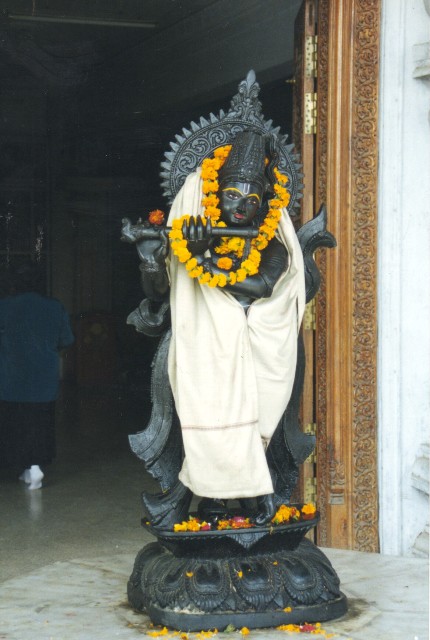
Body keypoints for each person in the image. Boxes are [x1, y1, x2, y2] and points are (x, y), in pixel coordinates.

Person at [135, 130, 305, 524]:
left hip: (263, 349)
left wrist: (202, 261)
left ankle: (255, 494)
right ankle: (216, 496)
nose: (241, 207)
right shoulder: (195, 234)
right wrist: (152, 260)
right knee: (207, 418)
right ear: (213, 193)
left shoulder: (271, 243)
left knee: (260, 421)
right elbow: (159, 291)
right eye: (231, 195)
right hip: (206, 344)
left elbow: (261, 285)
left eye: (252, 200)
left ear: (264, 204)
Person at [0, 262, 74, 489]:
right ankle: (34, 466)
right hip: (43, 380)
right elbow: (67, 339)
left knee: (16, 423)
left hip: (11, 378)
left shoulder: (4, 306)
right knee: (40, 422)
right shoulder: (55, 306)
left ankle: (26, 466)